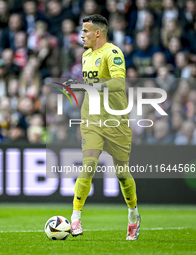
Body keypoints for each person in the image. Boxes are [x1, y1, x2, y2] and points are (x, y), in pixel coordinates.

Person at [67, 15, 140, 240]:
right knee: (88, 165)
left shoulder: (113, 53)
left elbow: (118, 83)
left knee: (122, 174)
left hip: (116, 120)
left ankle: (133, 215)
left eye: (86, 31)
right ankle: (75, 217)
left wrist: (90, 87)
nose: (82, 35)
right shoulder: (86, 55)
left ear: (98, 33)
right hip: (91, 120)